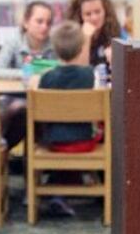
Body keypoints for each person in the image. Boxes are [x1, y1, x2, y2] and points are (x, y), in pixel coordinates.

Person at [36, 21, 103, 217]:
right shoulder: (90, 75)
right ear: (82, 47)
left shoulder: (46, 78)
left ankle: (53, 190)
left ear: (54, 49)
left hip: (54, 143)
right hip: (85, 142)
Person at [66, 0, 128, 74]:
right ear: (80, 16)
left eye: (98, 12)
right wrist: (86, 38)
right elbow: (80, 72)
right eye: (88, 14)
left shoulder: (118, 32)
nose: (94, 18)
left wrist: (116, 59)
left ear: (105, 12)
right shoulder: (72, 36)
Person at [0, 1, 55, 80]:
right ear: (26, 23)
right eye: (39, 21)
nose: (45, 27)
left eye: (49, 23)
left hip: (47, 91)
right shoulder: (13, 42)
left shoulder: (56, 45)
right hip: (19, 90)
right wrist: (30, 73)